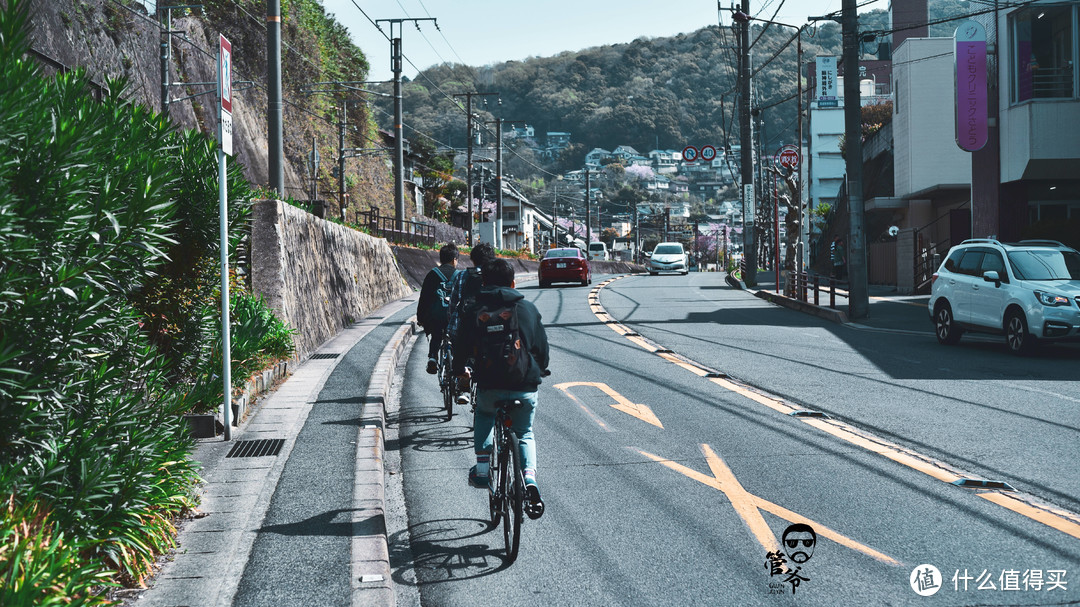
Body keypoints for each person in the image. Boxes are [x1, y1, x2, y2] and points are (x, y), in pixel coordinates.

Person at [453, 258, 549, 518]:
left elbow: (460, 346)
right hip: (524, 385)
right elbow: (541, 348)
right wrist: (542, 369)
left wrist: (459, 369)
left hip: (490, 385)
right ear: (513, 283)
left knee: (484, 414)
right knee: (525, 432)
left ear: (483, 283)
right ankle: (529, 481)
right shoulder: (527, 309)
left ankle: (483, 469)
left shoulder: (474, 310)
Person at [446, 242, 497, 404]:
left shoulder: (461, 276)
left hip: (462, 326)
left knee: (462, 346)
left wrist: (450, 325)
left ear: (473, 260)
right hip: (491, 328)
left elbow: (453, 304)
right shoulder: (497, 275)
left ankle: (464, 383)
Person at [416, 243, 459, 374]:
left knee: (436, 335)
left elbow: (424, 298)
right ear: (454, 260)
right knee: (457, 339)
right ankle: (458, 364)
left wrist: (421, 318)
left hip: (436, 316)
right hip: (453, 317)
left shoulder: (432, 274)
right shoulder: (459, 275)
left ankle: (433, 358)